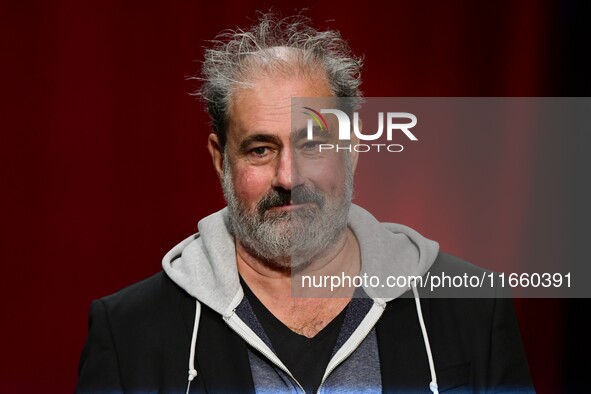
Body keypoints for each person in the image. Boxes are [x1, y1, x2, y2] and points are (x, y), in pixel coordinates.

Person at [76, 13, 533, 394]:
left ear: (351, 150)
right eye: (260, 149)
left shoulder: (475, 306)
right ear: (220, 159)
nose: (288, 177)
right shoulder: (128, 334)